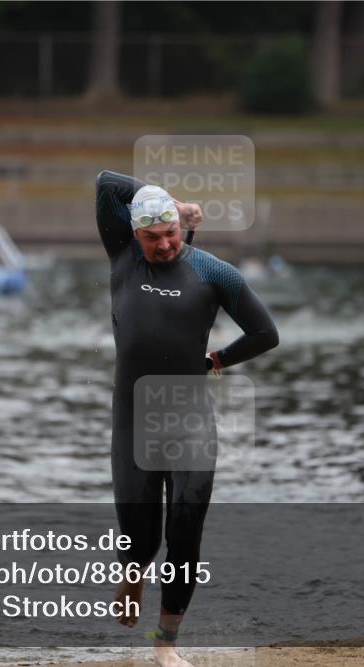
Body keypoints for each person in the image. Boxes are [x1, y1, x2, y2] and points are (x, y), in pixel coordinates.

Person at [95, 170, 279, 666]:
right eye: (153, 237)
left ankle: (166, 645)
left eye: (171, 232)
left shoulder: (215, 273)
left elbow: (265, 334)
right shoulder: (123, 261)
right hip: (134, 420)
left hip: (190, 419)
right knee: (141, 536)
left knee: (184, 530)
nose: (165, 244)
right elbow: (106, 183)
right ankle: (132, 573)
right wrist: (166, 198)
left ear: (182, 227)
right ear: (134, 235)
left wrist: (215, 360)